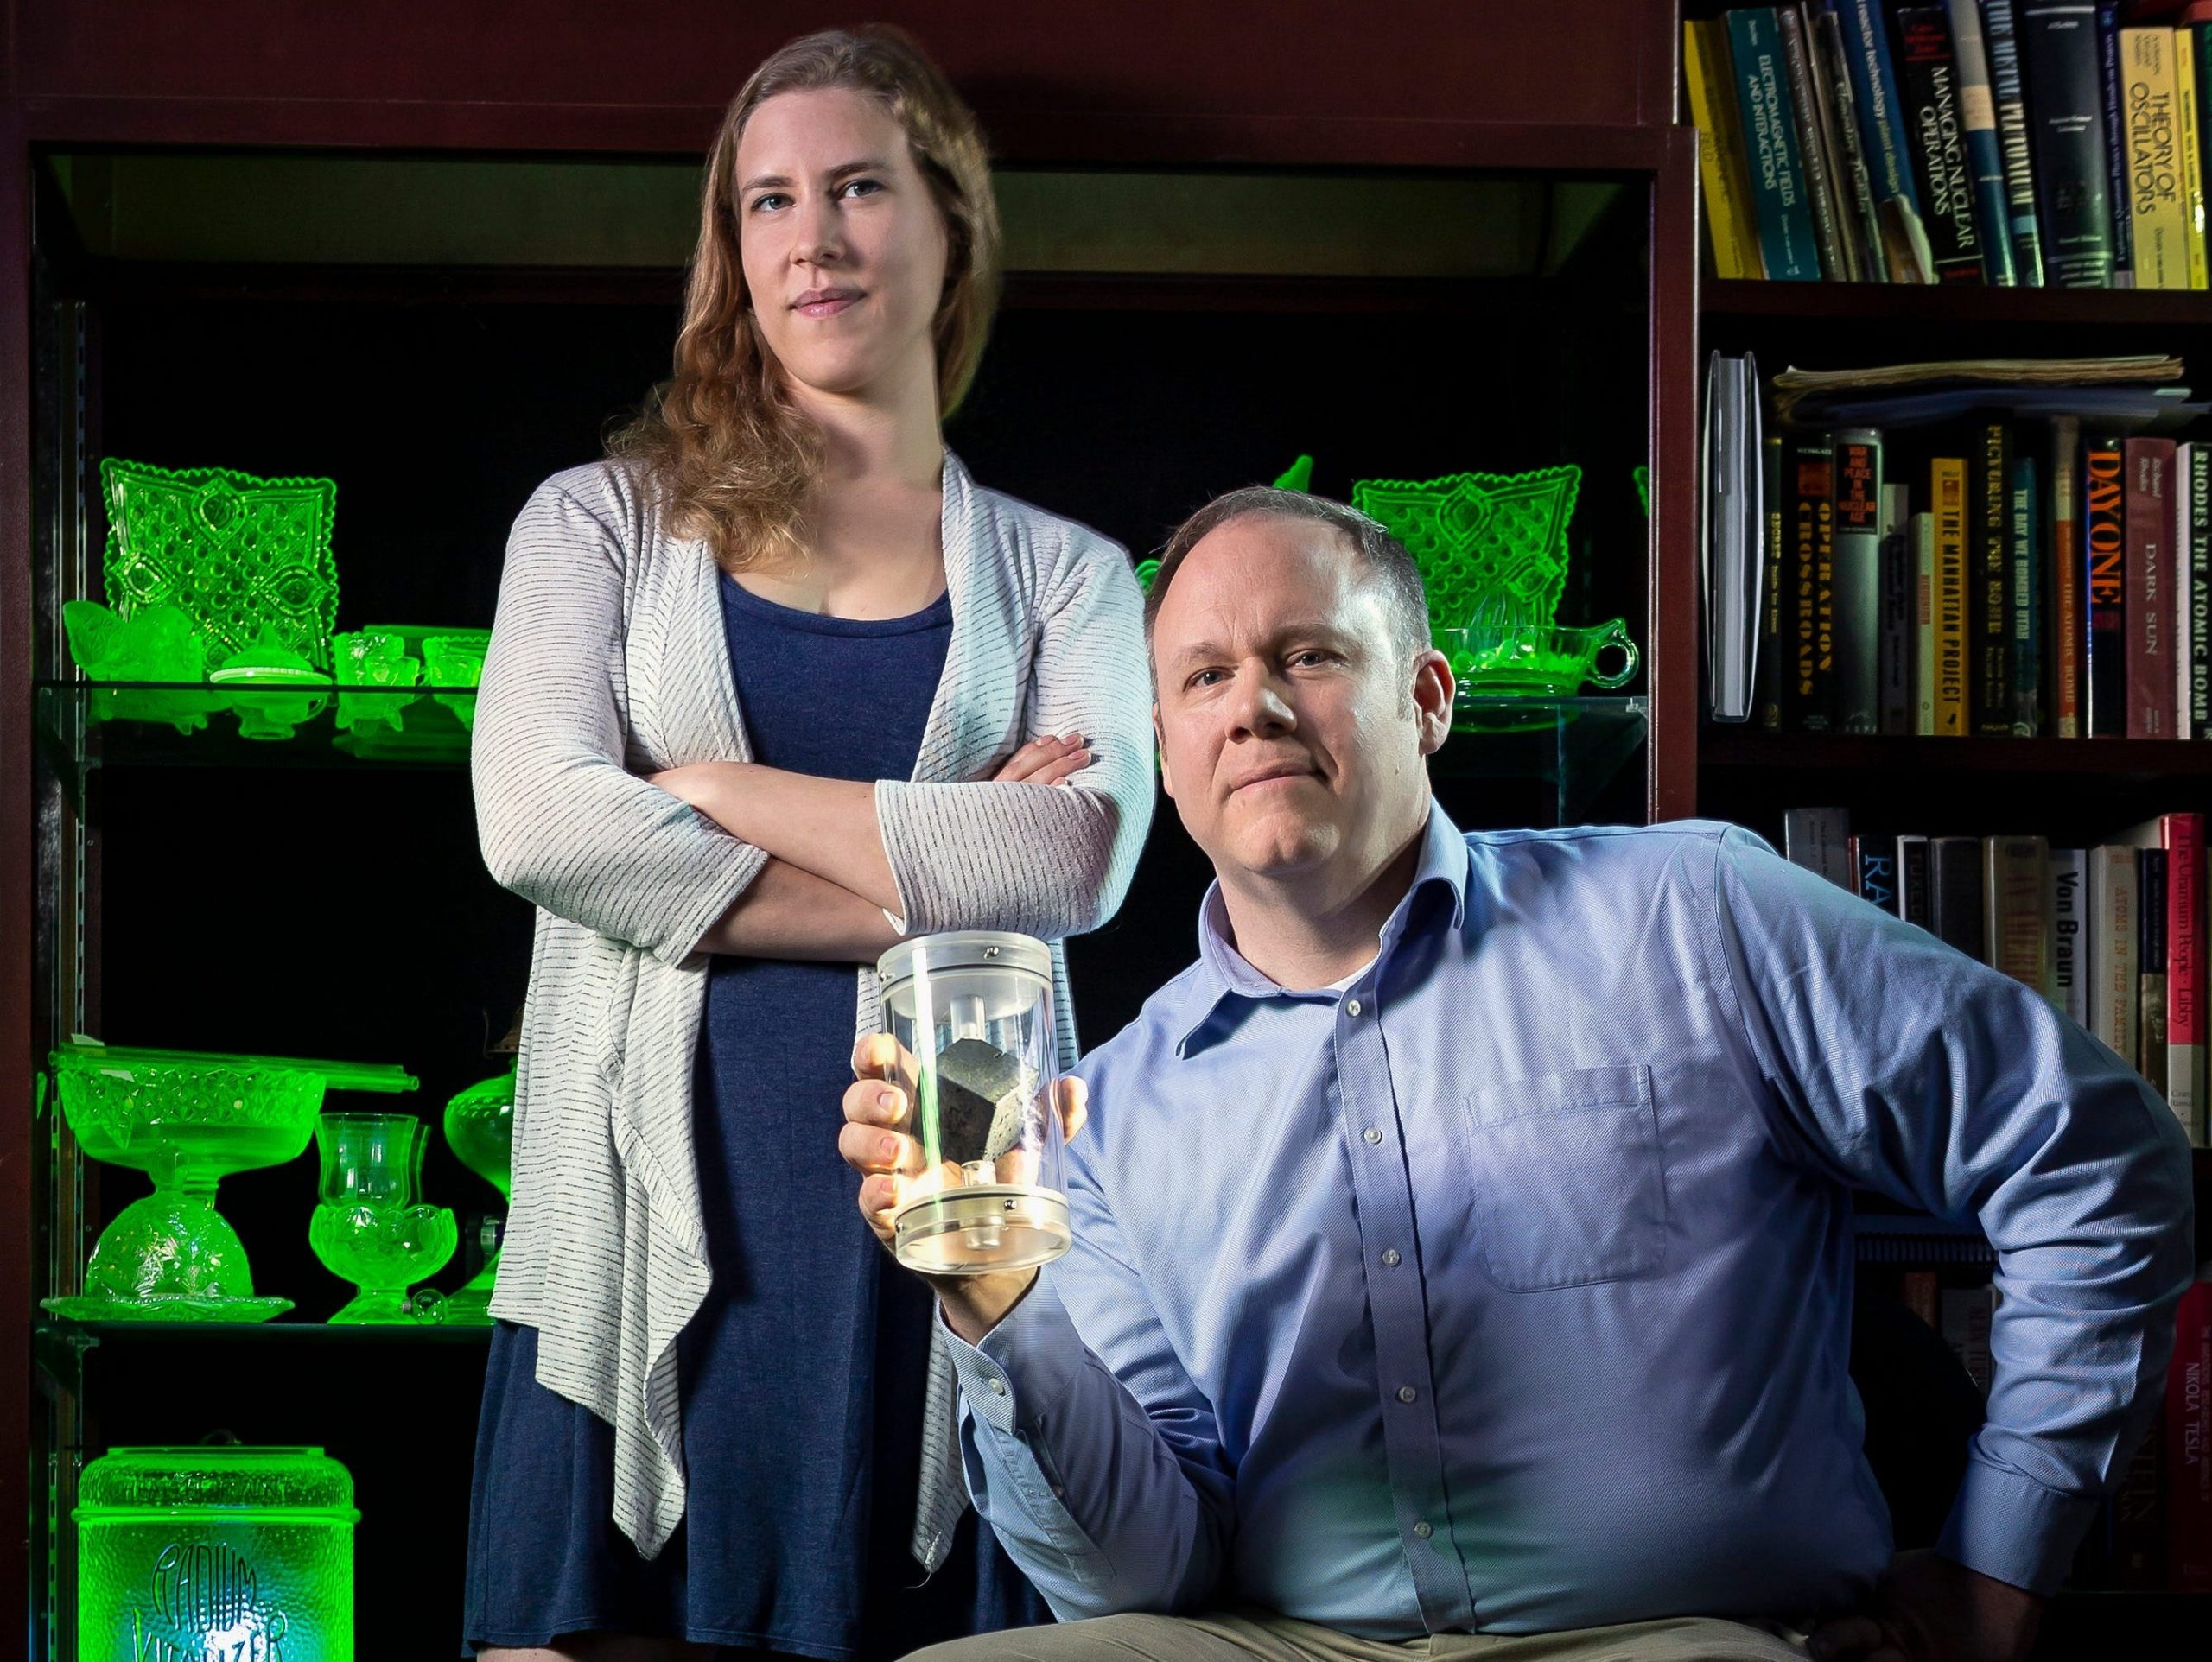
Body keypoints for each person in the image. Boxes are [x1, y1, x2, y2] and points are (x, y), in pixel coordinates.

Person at [840, 486, 2199, 1662]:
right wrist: (997, 1309)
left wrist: (1997, 1568)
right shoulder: (1110, 1114)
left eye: (1306, 654)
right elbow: (1142, 1582)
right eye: (1200, 678)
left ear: (1427, 699)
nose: (1250, 706)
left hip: (1679, 1640)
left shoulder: (1688, 912)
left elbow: (2092, 1156)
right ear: (1167, 756)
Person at [467, 26, 1154, 1661]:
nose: (812, 237)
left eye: (857, 187)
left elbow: (1077, 864)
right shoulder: (595, 525)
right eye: (768, 202)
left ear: (949, 229)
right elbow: (536, 818)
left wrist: (705, 787)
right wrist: (919, 893)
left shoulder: (1070, 578)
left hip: (956, 1242)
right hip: (626, 1242)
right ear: (733, 253)